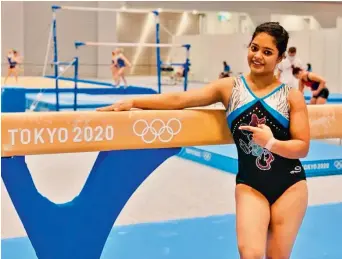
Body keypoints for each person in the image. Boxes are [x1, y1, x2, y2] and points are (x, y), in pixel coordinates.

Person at [97, 22, 310, 259]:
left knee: (278, 257)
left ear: (280, 57)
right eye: (254, 48)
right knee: (250, 253)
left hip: (290, 185)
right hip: (251, 184)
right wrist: (134, 102)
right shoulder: (229, 87)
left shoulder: (292, 97)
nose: (257, 56)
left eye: (267, 52)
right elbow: (180, 99)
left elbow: (302, 147)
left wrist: (271, 143)